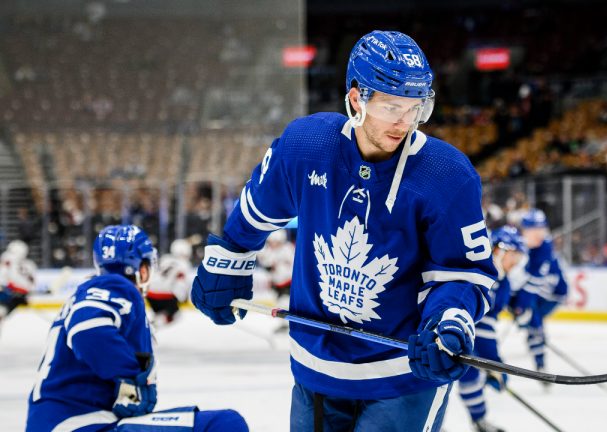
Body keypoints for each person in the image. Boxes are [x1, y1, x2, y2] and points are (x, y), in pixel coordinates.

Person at [191, 30, 496, 431]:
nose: (405, 122)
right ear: (357, 98)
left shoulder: (447, 176)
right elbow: (257, 207)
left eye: (416, 108)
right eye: (391, 107)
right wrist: (228, 258)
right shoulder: (307, 145)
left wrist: (449, 321)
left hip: (403, 376)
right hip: (316, 367)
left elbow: (464, 274)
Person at [26, 225, 248, 431]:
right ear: (141, 268)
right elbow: (88, 328)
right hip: (80, 424)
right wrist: (132, 376)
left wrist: (128, 390)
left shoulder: (92, 293)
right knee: (225, 424)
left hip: (72, 422)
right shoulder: (117, 286)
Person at [459, 226, 527, 432]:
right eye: (513, 256)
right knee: (461, 375)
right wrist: (493, 362)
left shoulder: (500, 278)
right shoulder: (484, 274)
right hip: (450, 330)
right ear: (499, 251)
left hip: (463, 331)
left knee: (466, 375)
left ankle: (479, 421)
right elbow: (483, 325)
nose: (515, 262)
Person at [515, 209, 568, 378]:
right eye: (535, 229)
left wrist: (521, 307)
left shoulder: (544, 247)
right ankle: (536, 345)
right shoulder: (514, 243)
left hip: (553, 295)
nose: (540, 233)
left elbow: (531, 285)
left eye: (542, 228)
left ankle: (539, 361)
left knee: (533, 319)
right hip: (537, 292)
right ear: (524, 231)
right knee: (531, 317)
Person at [146, 238, 193, 326]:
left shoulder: (165, 258)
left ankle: (150, 327)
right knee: (175, 315)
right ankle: (152, 328)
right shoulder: (184, 264)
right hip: (165, 295)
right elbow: (181, 283)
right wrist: (182, 299)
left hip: (150, 293)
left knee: (159, 314)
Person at [255, 229, 295, 311]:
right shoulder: (267, 250)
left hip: (288, 283)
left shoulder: (288, 248)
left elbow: (292, 265)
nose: (273, 244)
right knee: (277, 305)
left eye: (275, 242)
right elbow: (266, 263)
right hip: (276, 284)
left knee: (286, 304)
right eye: (271, 242)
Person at [0, 240, 36, 325]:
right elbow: (31, 285)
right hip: (16, 296)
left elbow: (3, 276)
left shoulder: (8, 259)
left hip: (9, 295)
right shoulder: (30, 264)